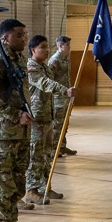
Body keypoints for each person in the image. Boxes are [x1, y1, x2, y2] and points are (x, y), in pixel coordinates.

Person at [0, 18, 37, 222]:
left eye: (25, 34)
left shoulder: (18, 60)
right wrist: (16, 115)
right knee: (2, 181)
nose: (24, 38)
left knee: (17, 180)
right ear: (5, 37)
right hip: (2, 133)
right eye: (19, 35)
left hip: (20, 131)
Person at [25, 35, 74, 204]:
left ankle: (45, 187)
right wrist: (64, 90)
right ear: (33, 50)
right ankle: (31, 190)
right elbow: (44, 83)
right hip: (36, 118)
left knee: (47, 154)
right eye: (43, 47)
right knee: (35, 154)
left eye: (47, 47)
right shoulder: (31, 68)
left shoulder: (44, 67)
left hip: (47, 116)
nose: (47, 50)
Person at [48, 35, 76, 156]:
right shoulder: (54, 60)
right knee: (57, 124)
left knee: (65, 122)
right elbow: (50, 80)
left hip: (67, 96)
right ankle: (54, 148)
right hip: (58, 97)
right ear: (60, 46)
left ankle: (62, 145)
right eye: (67, 45)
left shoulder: (65, 58)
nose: (69, 47)